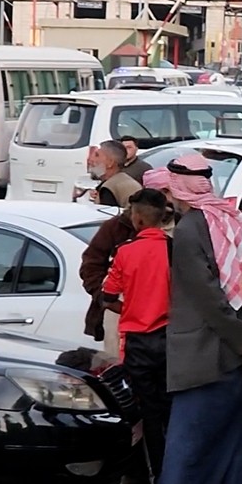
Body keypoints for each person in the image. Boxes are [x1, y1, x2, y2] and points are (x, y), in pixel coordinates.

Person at [146, 153, 242, 484]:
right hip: (238, 355)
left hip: (203, 353)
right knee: (228, 445)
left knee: (188, 444)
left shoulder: (189, 229)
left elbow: (208, 298)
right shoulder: (235, 221)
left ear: (177, 188)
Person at [100, 188, 172, 482]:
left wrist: (130, 308)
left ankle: (157, 474)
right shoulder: (175, 250)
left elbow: (107, 297)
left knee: (148, 411)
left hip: (137, 342)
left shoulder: (125, 252)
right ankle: (178, 472)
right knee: (173, 407)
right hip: (172, 339)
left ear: (138, 219)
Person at [80, 143, 144, 355]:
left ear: (110, 162)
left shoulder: (112, 189)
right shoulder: (120, 183)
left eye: (97, 155)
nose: (91, 160)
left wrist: (106, 299)